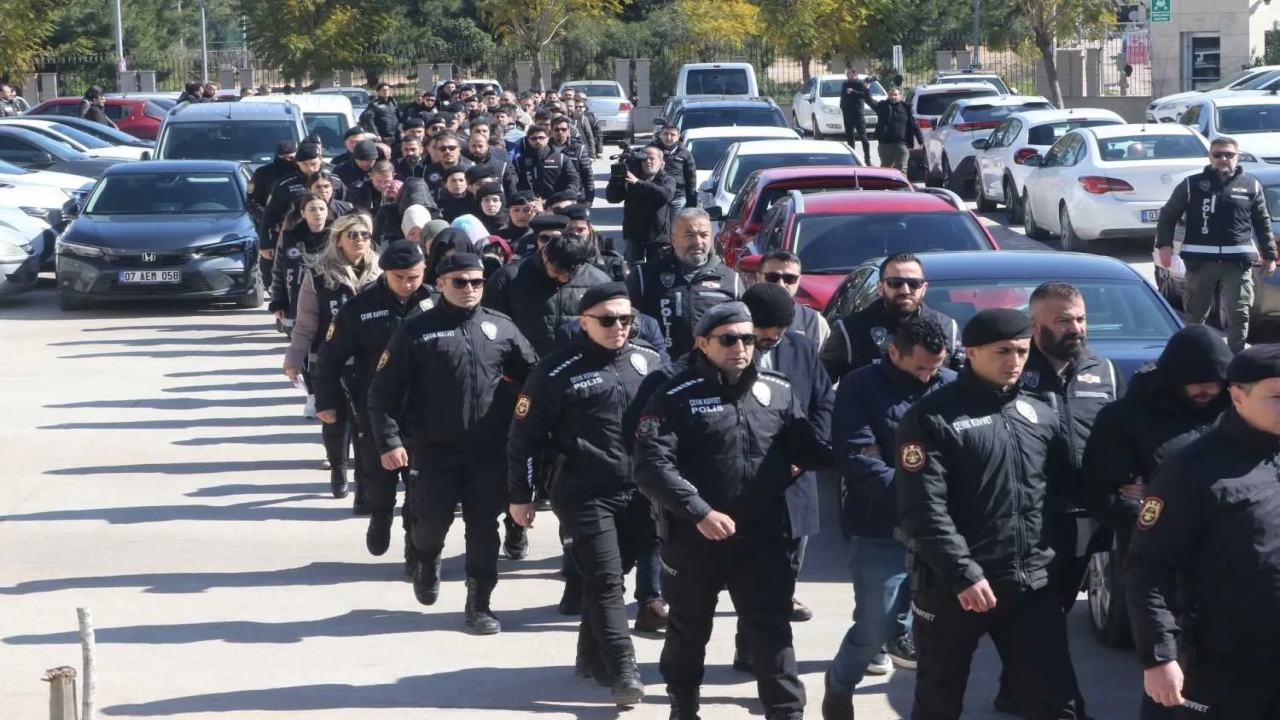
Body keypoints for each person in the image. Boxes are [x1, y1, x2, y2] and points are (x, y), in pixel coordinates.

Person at [635, 302, 834, 720]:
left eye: (748, 339)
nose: (741, 347)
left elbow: (805, 446)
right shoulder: (673, 394)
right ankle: (684, 705)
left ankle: (786, 711)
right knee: (689, 631)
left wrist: (853, 451)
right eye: (728, 339)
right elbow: (652, 465)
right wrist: (699, 512)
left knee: (772, 629)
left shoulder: (777, 388)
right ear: (703, 343)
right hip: (696, 537)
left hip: (763, 537)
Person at [895, 308, 1083, 720]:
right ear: (973, 354)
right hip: (954, 588)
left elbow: (1066, 485)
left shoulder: (1039, 411)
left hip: (1029, 583)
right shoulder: (932, 418)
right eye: (1003, 352)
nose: (1014, 361)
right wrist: (963, 572)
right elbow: (922, 509)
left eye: (1021, 351)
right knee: (939, 700)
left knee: (1056, 701)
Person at [367, 252, 538, 634]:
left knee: (483, 526)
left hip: (487, 451)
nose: (469, 289)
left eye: (476, 282)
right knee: (431, 522)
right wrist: (389, 441)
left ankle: (479, 605)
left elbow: (533, 377)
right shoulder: (416, 330)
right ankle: (425, 558)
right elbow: (383, 391)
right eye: (459, 282)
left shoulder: (502, 328)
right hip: (432, 449)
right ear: (440, 283)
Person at [507, 283, 659, 708]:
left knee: (613, 575)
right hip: (584, 492)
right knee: (607, 581)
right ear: (584, 321)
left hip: (641, 493)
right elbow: (523, 438)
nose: (618, 328)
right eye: (607, 320)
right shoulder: (555, 371)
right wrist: (521, 496)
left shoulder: (650, 361)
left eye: (626, 319)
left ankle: (588, 653)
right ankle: (625, 668)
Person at [1080, 325, 1230, 720]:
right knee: (1172, 682)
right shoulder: (1124, 420)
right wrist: (1159, 515)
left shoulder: (1234, 409)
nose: (1209, 391)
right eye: (1199, 383)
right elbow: (1102, 494)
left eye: (1217, 382)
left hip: (1232, 568)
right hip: (1162, 566)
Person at [1125, 344, 1280, 718]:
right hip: (1224, 660)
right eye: (1277, 397)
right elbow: (1147, 567)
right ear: (1237, 396)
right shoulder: (1191, 470)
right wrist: (1159, 658)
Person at [990, 282, 1122, 714]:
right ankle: (1061, 705)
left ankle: (1013, 688)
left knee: (1061, 605)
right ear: (1036, 325)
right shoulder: (1015, 370)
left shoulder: (1102, 369)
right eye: (1063, 320)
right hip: (1032, 515)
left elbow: (1117, 435)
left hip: (1088, 515)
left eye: (1080, 319)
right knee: (1040, 615)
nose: (1076, 328)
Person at [822, 316, 956, 720]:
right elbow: (857, 460)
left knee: (941, 632)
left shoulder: (950, 385)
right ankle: (840, 683)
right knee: (872, 626)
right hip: (880, 525)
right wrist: (924, 495)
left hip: (942, 530)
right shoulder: (861, 387)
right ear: (893, 352)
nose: (927, 377)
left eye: (935, 368)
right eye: (919, 368)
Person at [316, 240, 435, 571]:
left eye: (413, 276)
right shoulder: (360, 307)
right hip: (375, 408)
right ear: (385, 274)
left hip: (425, 412)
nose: (408, 284)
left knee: (421, 490)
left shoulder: (434, 302)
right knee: (379, 481)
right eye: (399, 277)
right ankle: (380, 516)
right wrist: (326, 401)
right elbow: (330, 357)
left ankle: (416, 553)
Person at [733, 283, 834, 653]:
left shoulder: (802, 348)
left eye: (779, 331)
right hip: (746, 484)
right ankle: (756, 646)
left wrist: (806, 453)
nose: (771, 338)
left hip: (794, 481)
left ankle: (759, 646)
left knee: (787, 568)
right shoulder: (728, 349)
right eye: (764, 331)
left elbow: (823, 403)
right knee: (751, 574)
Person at [283, 213, 380, 503]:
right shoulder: (318, 275)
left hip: (371, 362)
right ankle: (338, 469)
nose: (360, 240)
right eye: (352, 235)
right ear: (338, 239)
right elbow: (306, 323)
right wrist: (293, 358)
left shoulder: (382, 273)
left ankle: (365, 484)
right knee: (335, 420)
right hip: (329, 361)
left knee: (368, 424)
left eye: (364, 234)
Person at [1155, 135, 1276, 353]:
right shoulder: (1192, 185)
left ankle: (1236, 358)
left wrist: (1269, 255)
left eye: (1228, 155)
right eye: (1217, 155)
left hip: (1237, 263)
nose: (1223, 159)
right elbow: (1168, 215)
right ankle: (1194, 356)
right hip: (1200, 262)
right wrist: (1164, 245)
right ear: (1210, 157)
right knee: (1195, 314)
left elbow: (1263, 222)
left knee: (1239, 313)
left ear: (1237, 157)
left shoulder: (1251, 186)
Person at [820, 252, 960, 383]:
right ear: (880, 287)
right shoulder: (850, 330)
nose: (905, 290)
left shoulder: (947, 327)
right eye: (895, 283)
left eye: (914, 283)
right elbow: (820, 388)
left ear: (923, 288)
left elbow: (963, 384)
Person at [626, 208, 743, 361]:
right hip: (660, 370)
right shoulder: (644, 276)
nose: (697, 242)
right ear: (673, 239)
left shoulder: (730, 280)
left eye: (704, 235)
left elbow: (743, 329)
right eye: (689, 235)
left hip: (712, 372)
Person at [606, 144, 677, 264]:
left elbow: (665, 195)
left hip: (658, 236)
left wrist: (638, 183)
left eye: (652, 158)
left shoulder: (667, 180)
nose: (648, 162)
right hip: (634, 234)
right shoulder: (631, 179)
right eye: (644, 159)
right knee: (634, 271)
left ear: (661, 163)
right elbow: (613, 198)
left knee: (658, 269)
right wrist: (616, 180)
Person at [756, 249, 830, 347]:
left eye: (790, 278)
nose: (781, 284)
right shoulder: (741, 317)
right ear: (758, 277)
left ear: (799, 280)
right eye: (772, 277)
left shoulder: (815, 322)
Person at [515, 124, 581, 201]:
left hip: (556, 202)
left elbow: (574, 179)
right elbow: (515, 184)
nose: (538, 141)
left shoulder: (561, 159)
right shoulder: (520, 161)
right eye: (533, 138)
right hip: (530, 203)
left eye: (541, 138)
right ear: (528, 140)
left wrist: (569, 193)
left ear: (548, 139)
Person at [866, 86, 923, 173]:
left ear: (900, 96)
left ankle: (902, 186)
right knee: (886, 170)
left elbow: (914, 125)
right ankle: (886, 186)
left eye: (895, 94)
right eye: (891, 94)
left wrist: (921, 140)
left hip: (902, 144)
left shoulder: (906, 108)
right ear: (888, 96)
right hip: (885, 145)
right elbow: (869, 101)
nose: (893, 97)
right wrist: (866, 88)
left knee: (901, 169)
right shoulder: (882, 106)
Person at [653, 124, 698, 222]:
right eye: (666, 134)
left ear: (678, 137)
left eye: (672, 135)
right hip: (657, 197)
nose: (669, 137)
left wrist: (692, 201)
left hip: (678, 198)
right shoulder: (652, 151)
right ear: (660, 135)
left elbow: (691, 178)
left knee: (676, 228)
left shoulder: (685, 153)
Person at [548, 116, 595, 204]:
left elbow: (587, 174)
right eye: (556, 129)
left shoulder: (579, 149)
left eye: (563, 129)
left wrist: (589, 197)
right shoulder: (545, 149)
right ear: (551, 132)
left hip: (575, 195)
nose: (560, 132)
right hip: (552, 196)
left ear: (569, 131)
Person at [840, 67, 872, 164]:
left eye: (849, 73)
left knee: (863, 136)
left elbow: (864, 95)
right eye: (847, 74)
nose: (848, 75)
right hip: (847, 113)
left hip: (858, 113)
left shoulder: (860, 84)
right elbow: (842, 96)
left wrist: (852, 91)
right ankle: (851, 159)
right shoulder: (845, 84)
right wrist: (843, 106)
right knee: (850, 137)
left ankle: (867, 159)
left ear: (855, 74)